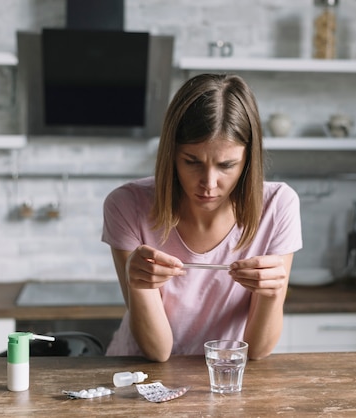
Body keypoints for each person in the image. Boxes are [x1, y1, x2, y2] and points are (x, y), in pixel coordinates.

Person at [102, 73, 302, 362]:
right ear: (171, 154)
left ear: (248, 160)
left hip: (224, 374)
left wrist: (272, 294)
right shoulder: (126, 205)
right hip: (141, 375)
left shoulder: (278, 205)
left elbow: (257, 351)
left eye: (227, 165)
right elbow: (158, 351)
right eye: (192, 162)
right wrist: (140, 285)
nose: (208, 183)